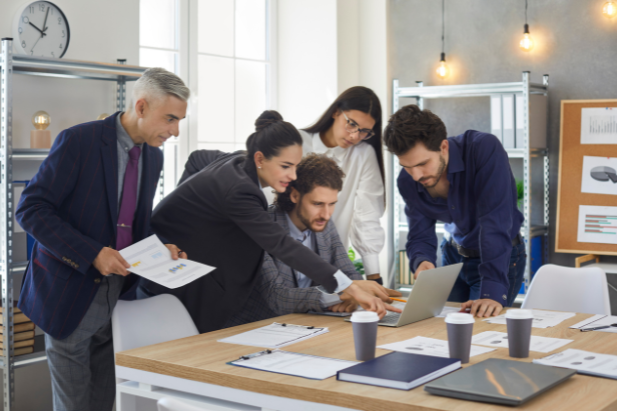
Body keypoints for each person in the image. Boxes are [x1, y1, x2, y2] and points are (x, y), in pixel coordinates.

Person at [16, 68, 189, 411]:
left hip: (118, 295)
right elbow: (31, 210)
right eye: (170, 119)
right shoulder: (79, 141)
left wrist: (159, 248)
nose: (176, 131)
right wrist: (92, 253)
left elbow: (133, 224)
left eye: (180, 121)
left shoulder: (153, 155)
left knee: (105, 402)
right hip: (70, 293)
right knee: (74, 406)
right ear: (141, 107)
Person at [137, 111, 400, 333]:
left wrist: (190, 219)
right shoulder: (242, 192)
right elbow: (282, 245)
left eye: (295, 166)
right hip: (166, 275)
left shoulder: (239, 160)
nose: (292, 176)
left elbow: (197, 159)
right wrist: (347, 288)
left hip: (173, 263)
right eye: (286, 166)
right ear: (260, 159)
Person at [383, 104, 526, 318]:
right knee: (438, 328)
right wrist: (422, 262)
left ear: (443, 147)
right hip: (452, 257)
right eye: (407, 166)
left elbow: (496, 223)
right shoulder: (407, 180)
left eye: (422, 163)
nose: (415, 175)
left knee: (477, 329)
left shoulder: (483, 149)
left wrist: (492, 291)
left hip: (497, 257)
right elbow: (419, 233)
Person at [226, 154, 363, 327]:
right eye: (318, 204)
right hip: (254, 329)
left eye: (332, 204)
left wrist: (358, 292)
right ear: (295, 196)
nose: (326, 214)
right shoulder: (261, 227)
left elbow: (348, 273)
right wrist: (340, 296)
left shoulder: (323, 224)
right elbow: (278, 298)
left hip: (303, 326)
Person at [300, 87, 386, 284]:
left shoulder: (362, 154)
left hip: (333, 266)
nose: (355, 136)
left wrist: (374, 279)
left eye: (364, 131)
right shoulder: (297, 143)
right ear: (336, 112)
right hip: (290, 263)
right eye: (352, 124)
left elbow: (367, 215)